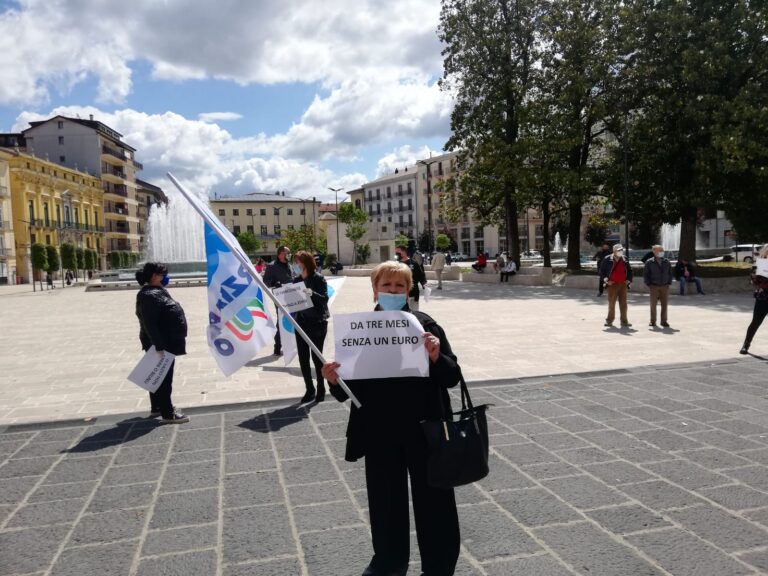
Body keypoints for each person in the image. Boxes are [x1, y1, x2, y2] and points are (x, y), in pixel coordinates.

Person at [321, 261, 462, 576]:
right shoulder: (358, 330)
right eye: (387, 286)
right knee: (385, 502)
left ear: (408, 290)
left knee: (435, 501)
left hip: (425, 430)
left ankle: (439, 566)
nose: (393, 291)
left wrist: (437, 356)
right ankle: (389, 560)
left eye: (400, 286)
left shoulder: (426, 327)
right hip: (380, 430)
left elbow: (452, 377)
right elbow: (347, 391)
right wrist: (333, 378)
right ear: (375, 289)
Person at [135, 262, 189, 424]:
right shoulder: (148, 295)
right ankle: (168, 413)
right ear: (154, 276)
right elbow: (149, 323)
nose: (165, 277)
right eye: (162, 274)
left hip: (165, 341)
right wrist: (158, 346)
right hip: (161, 343)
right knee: (164, 379)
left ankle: (157, 407)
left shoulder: (156, 291)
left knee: (157, 376)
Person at [292, 250, 330, 404]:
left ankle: (321, 388)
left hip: (317, 323)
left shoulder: (318, 278)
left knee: (317, 358)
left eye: (298, 262)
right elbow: (292, 299)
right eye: (296, 262)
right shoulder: (296, 280)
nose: (296, 265)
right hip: (301, 322)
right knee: (303, 358)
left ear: (306, 262)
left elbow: (324, 299)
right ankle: (309, 389)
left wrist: (311, 292)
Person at [263, 246, 294, 355]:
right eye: (287, 253)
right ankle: (277, 346)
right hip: (279, 297)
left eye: (289, 253)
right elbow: (265, 281)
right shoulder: (272, 266)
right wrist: (275, 284)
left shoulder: (289, 265)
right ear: (280, 254)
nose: (289, 254)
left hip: (292, 295)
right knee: (281, 320)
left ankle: (289, 345)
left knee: (292, 320)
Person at [741, 245, 768, 354]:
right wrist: (757, 276)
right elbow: (753, 281)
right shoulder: (758, 265)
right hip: (763, 297)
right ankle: (746, 345)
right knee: (756, 322)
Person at [599, 243, 633, 327]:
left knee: (623, 304)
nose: (620, 251)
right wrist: (607, 281)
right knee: (611, 303)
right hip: (612, 284)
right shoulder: (607, 259)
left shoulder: (625, 259)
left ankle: (624, 321)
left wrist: (629, 279)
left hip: (623, 284)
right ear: (614, 251)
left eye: (621, 250)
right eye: (618, 250)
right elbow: (601, 272)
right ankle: (609, 321)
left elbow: (630, 270)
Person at [643, 245, 673, 328]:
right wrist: (649, 284)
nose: (662, 252)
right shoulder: (649, 262)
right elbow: (646, 274)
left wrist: (668, 282)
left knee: (664, 304)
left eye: (662, 250)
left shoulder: (667, 261)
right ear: (654, 252)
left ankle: (664, 321)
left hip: (665, 286)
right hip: (654, 286)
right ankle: (653, 321)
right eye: (660, 250)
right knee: (653, 305)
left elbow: (670, 273)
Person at [395, 243, 426, 311]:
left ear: (404, 252)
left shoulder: (413, 263)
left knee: (414, 312)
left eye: (398, 252)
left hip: (413, 292)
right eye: (396, 252)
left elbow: (420, 275)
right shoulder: (396, 265)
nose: (396, 254)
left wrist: (424, 283)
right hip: (400, 293)